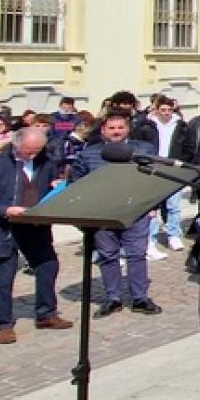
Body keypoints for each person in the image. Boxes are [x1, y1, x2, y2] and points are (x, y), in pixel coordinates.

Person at [0, 123, 66, 343]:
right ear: (16, 145)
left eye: (37, 150)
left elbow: (48, 188)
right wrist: (5, 210)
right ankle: (4, 323)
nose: (33, 154)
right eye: (29, 150)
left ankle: (46, 313)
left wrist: (56, 186)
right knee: (3, 276)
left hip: (35, 225)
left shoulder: (47, 163)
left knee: (48, 265)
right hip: (3, 227)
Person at [71, 113, 162, 316]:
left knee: (137, 255)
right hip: (103, 214)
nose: (116, 132)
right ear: (103, 130)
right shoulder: (89, 154)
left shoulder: (144, 150)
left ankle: (139, 298)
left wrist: (154, 205)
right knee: (108, 256)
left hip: (135, 211)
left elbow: (156, 179)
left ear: (128, 129)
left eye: (120, 127)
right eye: (111, 128)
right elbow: (77, 183)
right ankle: (113, 298)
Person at [135, 94, 197, 253]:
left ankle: (173, 235)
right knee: (153, 206)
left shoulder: (182, 126)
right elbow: (139, 145)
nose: (166, 113)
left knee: (174, 205)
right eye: (163, 110)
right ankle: (151, 239)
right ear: (157, 110)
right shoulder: (147, 126)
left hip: (173, 167)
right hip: (153, 168)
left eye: (169, 110)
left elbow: (189, 147)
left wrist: (181, 163)